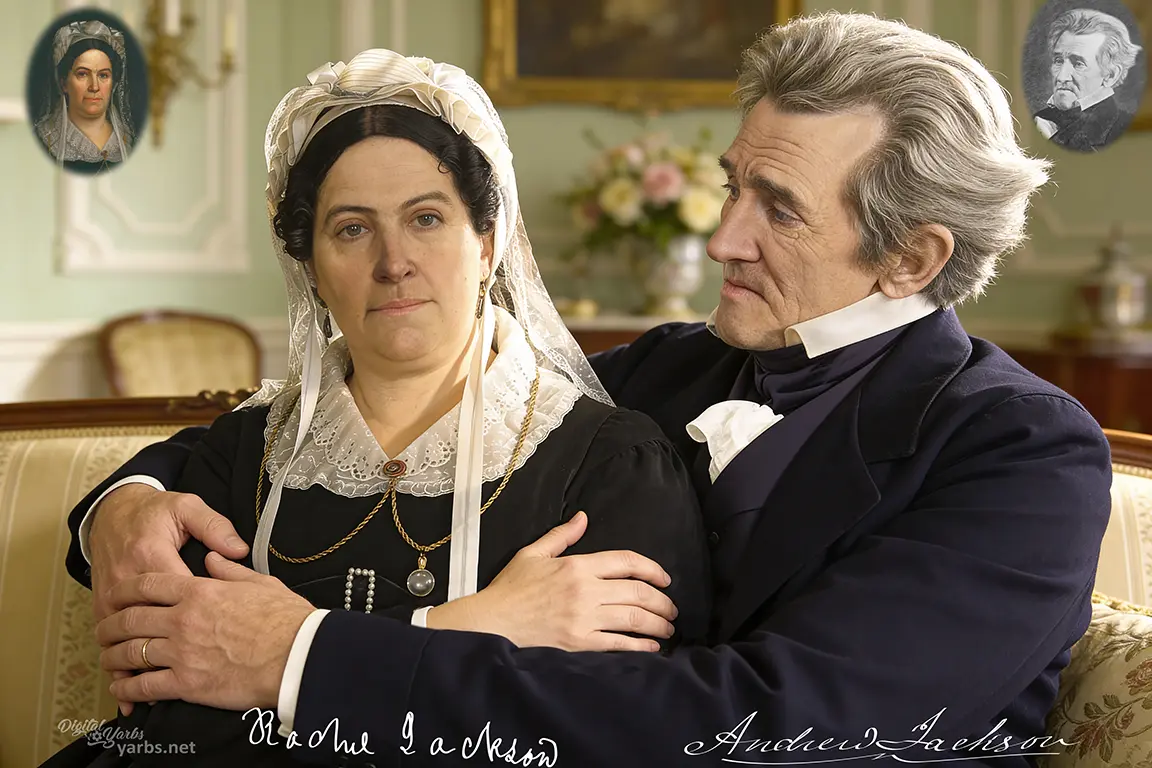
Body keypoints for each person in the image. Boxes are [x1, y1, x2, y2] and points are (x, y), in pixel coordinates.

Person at [67, 12, 1112, 767]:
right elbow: (402, 411)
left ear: (914, 256)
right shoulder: (672, 367)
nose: (721, 237)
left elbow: (774, 726)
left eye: (777, 209)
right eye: (730, 186)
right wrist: (127, 504)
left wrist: (305, 657)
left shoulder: (1022, 452)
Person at [41, 49, 710, 767]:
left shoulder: (609, 466)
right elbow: (170, 717)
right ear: (311, 268)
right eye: (352, 228)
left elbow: (610, 734)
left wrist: (275, 665)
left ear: (486, 244)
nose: (394, 261)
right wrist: (467, 627)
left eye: (426, 218)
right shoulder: (245, 455)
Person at [32, 20, 137, 173]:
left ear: (113, 84)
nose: (94, 86)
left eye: (103, 75)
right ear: (64, 84)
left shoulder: (128, 141)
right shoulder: (44, 140)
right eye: (82, 74)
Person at [1032, 8, 1143, 152]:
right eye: (1058, 60)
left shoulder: (1130, 133)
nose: (1061, 76)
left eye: (1078, 64)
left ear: (1111, 75)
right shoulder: (1038, 120)